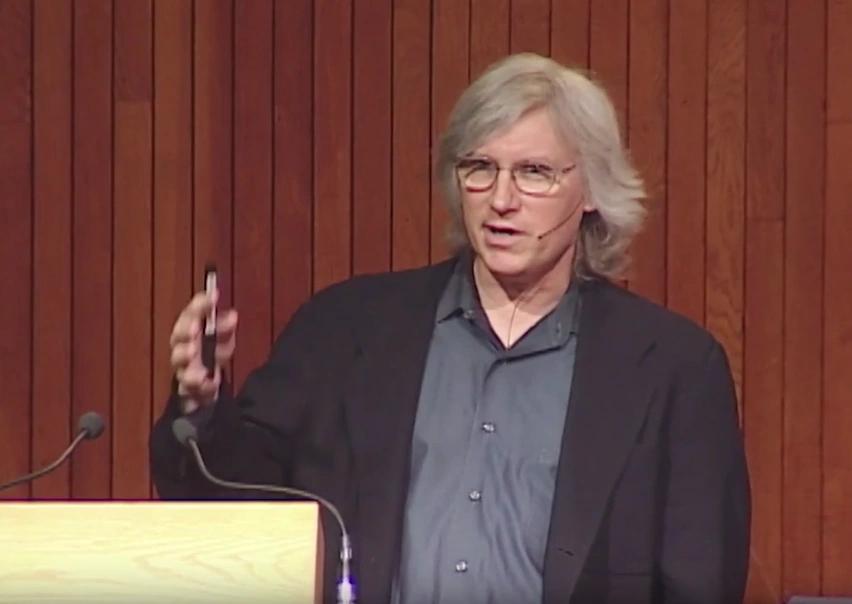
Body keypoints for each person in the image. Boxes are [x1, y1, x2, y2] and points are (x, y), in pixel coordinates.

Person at [150, 52, 751, 604]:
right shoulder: (344, 329)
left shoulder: (674, 369)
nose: (502, 199)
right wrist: (201, 407)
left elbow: (701, 580)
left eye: (535, 172)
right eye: (480, 168)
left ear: (591, 189)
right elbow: (235, 506)